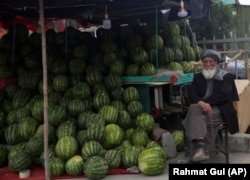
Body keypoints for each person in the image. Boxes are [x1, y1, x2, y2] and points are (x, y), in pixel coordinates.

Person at [182, 49, 239, 162]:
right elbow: (192, 94)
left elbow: (224, 95)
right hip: (200, 109)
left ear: (216, 62)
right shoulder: (198, 77)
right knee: (194, 108)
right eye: (205, 62)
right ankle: (200, 148)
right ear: (202, 63)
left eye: (211, 61)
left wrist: (206, 103)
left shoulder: (227, 76)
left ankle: (199, 148)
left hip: (220, 110)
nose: (208, 65)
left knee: (192, 118)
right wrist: (201, 102)